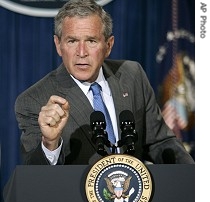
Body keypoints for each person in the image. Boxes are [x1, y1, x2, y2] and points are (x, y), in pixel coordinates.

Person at [15, 0, 194, 165]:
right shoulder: (34, 100)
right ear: (58, 45)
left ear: (108, 45)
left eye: (91, 41)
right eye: (72, 41)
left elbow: (160, 142)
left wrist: (193, 179)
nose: (81, 52)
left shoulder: (132, 76)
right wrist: (50, 143)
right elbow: (34, 177)